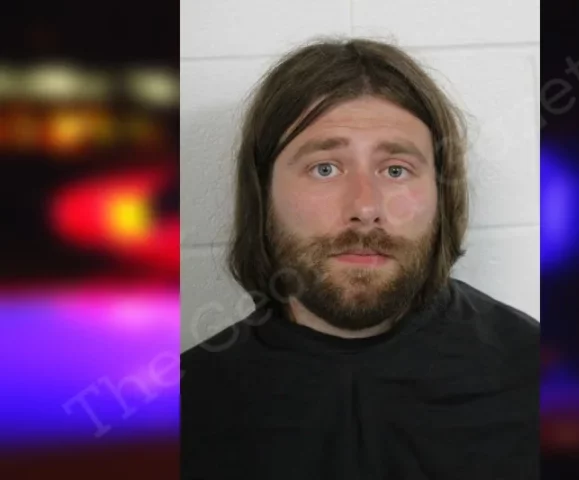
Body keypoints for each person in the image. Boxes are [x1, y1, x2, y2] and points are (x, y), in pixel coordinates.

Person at [181, 37, 539, 480]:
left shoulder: (539, 379)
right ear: (263, 193)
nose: (366, 208)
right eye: (325, 168)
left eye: (396, 170)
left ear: (441, 195)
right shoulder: (185, 409)